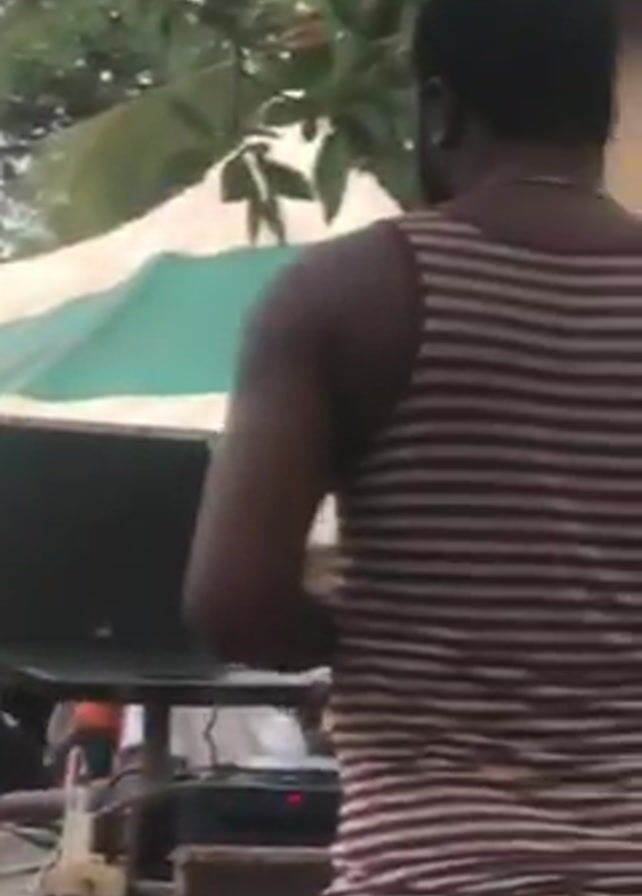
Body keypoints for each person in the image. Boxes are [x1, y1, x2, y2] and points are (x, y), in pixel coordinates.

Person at [184, 0, 642, 892]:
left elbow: (234, 604)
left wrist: (388, 635)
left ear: (440, 109)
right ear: (604, 112)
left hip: (431, 866)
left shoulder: (347, 293)